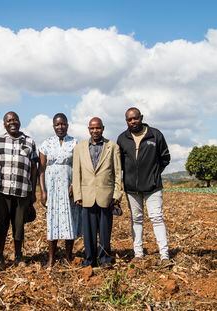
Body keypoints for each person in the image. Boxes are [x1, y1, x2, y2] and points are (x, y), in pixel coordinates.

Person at [117, 107, 171, 262]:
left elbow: (165, 158)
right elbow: (119, 163)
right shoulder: (122, 139)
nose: (133, 121)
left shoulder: (155, 135)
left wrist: (154, 174)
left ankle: (164, 255)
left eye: (135, 118)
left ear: (141, 117)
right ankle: (138, 254)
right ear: (126, 121)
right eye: (129, 119)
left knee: (157, 218)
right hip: (132, 189)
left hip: (153, 187)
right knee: (136, 219)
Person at [0, 111, 38, 268]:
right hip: (3, 191)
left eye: (15, 119)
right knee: (1, 223)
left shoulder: (30, 141)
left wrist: (33, 191)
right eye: (9, 120)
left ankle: (18, 255)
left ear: (19, 122)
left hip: (23, 190)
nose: (12, 122)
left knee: (19, 224)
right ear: (4, 124)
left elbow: (34, 168)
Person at [72, 117, 122, 268]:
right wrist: (77, 194)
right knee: (88, 232)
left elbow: (118, 172)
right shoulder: (79, 147)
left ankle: (105, 259)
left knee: (105, 231)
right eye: (92, 128)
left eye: (98, 128)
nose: (95, 131)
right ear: (88, 129)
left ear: (103, 128)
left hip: (106, 195)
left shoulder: (112, 146)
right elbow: (76, 173)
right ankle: (89, 260)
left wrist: (117, 194)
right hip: (87, 195)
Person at [39, 113, 81, 268]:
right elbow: (41, 169)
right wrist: (43, 191)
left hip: (68, 187)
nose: (60, 127)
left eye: (63, 124)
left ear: (67, 125)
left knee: (70, 220)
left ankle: (69, 256)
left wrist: (74, 185)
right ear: (53, 126)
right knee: (52, 221)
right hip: (52, 188)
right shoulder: (46, 144)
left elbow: (78, 167)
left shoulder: (74, 143)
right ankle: (51, 258)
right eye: (57, 124)